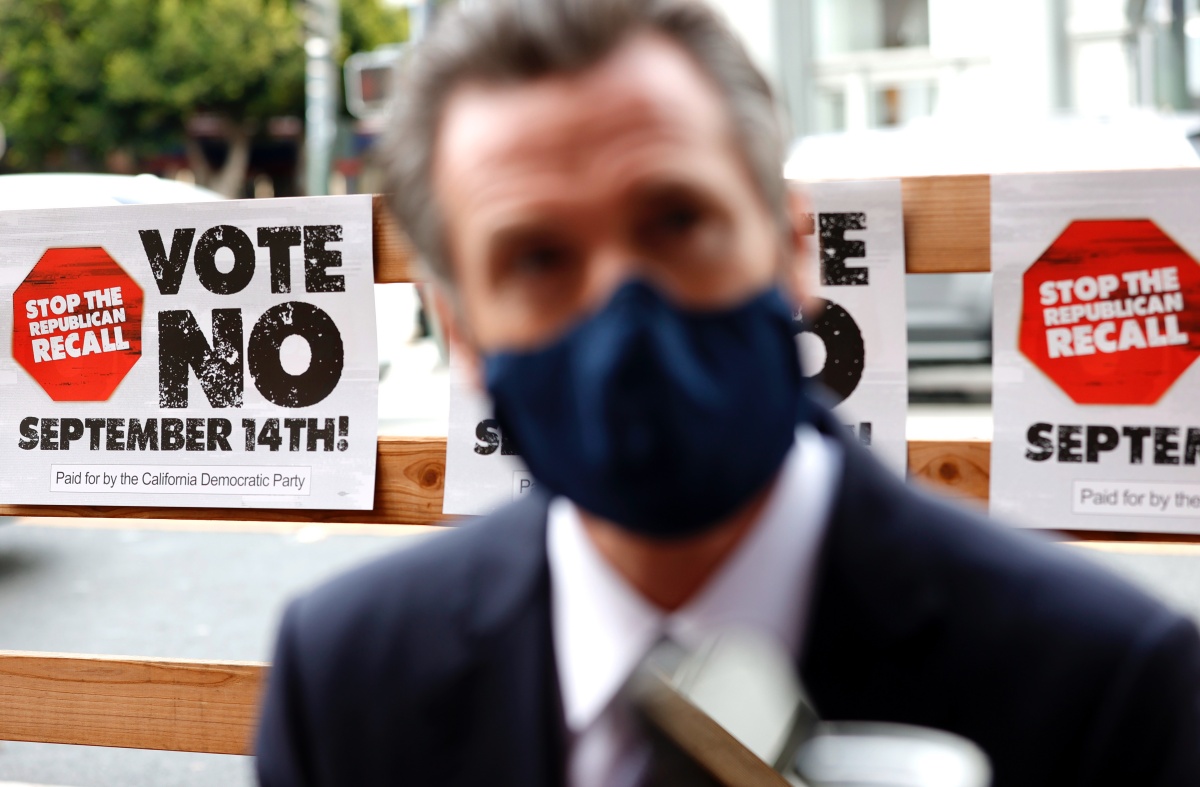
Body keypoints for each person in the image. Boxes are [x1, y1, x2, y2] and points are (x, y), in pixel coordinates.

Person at [255, 1, 1200, 785]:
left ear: (793, 247)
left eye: (678, 219)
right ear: (459, 327)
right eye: (538, 257)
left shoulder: (1104, 683)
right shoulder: (344, 683)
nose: (625, 312)